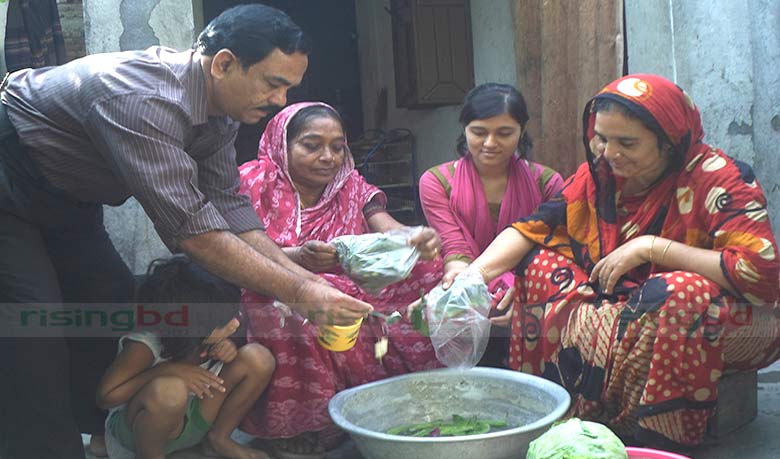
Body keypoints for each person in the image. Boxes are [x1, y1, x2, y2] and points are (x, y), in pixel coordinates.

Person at [0, 5, 372, 459]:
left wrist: (305, 279)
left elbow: (229, 206)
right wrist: (299, 292)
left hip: (68, 197)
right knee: (32, 322)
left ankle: (96, 433)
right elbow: (193, 230)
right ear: (224, 63)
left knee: (110, 293)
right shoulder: (143, 99)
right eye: (273, 83)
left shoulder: (220, 110)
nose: (280, 100)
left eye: (289, 87)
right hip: (9, 172)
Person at [458, 74, 780, 448]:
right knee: (539, 265)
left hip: (730, 322)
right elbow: (533, 228)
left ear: (670, 141)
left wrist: (652, 247)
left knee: (680, 292)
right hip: (629, 309)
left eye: (627, 142)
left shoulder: (719, 179)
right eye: (602, 139)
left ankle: (660, 441)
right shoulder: (598, 177)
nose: (610, 154)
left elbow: (760, 272)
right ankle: (558, 418)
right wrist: (471, 277)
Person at [238, 102, 443, 458]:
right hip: (270, 281)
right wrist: (297, 259)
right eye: (312, 145)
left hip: (346, 281)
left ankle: (405, 396)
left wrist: (414, 239)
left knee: (428, 271)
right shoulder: (252, 183)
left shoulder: (349, 185)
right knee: (296, 305)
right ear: (281, 145)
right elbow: (238, 254)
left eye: (338, 146)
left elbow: (384, 225)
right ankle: (305, 425)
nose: (328, 157)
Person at [419, 83, 563, 366]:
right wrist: (465, 287)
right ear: (464, 129)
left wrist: (517, 286)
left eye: (504, 133)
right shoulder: (436, 181)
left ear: (522, 131)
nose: (489, 143)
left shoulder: (548, 183)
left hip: (525, 276)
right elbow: (454, 246)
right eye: (479, 132)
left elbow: (546, 246)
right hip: (462, 272)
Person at [97, 256, 274, 459]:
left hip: (196, 418)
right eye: (223, 323)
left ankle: (219, 439)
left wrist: (229, 347)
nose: (234, 324)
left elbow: (233, 347)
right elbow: (105, 397)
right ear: (188, 331)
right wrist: (165, 370)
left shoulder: (204, 332)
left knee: (259, 358)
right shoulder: (145, 346)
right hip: (143, 432)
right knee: (170, 391)